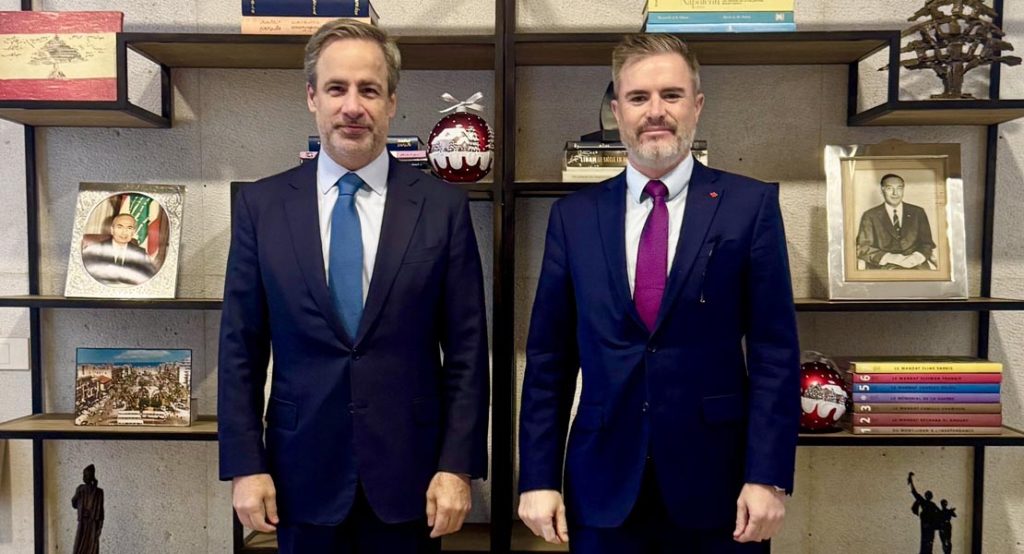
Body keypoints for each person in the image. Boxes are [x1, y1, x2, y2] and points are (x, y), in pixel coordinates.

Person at [517, 33, 800, 553]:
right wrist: (538, 478)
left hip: (720, 485)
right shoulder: (573, 217)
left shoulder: (749, 205)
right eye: (638, 97)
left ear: (697, 105)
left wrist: (768, 475)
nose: (655, 112)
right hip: (602, 482)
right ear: (617, 111)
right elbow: (549, 361)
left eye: (671, 95)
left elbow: (774, 353)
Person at [217, 19, 489, 554]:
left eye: (369, 90)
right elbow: (240, 348)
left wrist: (456, 466)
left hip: (412, 480)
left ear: (391, 102)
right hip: (298, 476)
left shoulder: (442, 208)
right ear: (312, 97)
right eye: (336, 88)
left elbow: (467, 351)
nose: (352, 106)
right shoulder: (261, 207)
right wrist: (245, 465)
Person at [855, 173, 936, 270]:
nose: (895, 193)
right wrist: (892, 258)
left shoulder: (918, 212)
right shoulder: (870, 215)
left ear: (903, 190)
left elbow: (927, 244)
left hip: (916, 266)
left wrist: (916, 257)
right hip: (883, 268)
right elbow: (863, 248)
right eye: (889, 188)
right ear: (882, 190)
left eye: (899, 188)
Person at [81, 213, 156, 286]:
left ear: (133, 232)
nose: (124, 232)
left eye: (129, 228)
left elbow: (150, 279)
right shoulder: (96, 250)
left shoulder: (141, 254)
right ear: (112, 230)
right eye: (120, 227)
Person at [71, 464, 104, 554]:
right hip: (83, 521)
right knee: (79, 547)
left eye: (87, 475)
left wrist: (100, 527)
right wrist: (77, 496)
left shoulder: (99, 492)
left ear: (92, 476)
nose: (84, 477)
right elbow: (74, 504)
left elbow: (101, 512)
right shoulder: (80, 489)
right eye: (84, 474)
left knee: (92, 546)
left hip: (93, 523)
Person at [908, 472, 940, 553]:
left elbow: (939, 513)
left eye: (930, 495)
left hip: (931, 526)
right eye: (928, 495)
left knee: (929, 541)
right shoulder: (924, 502)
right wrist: (911, 481)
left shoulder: (933, 504)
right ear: (926, 496)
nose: (928, 496)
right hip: (925, 525)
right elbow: (914, 492)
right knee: (925, 541)